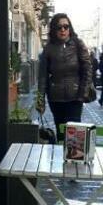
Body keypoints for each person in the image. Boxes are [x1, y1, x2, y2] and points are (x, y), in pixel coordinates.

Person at [36, 13, 92, 141]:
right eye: (59, 27)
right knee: (61, 132)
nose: (63, 30)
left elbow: (87, 70)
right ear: (54, 29)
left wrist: (83, 94)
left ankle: (73, 154)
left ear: (69, 28)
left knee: (74, 135)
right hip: (55, 98)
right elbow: (43, 76)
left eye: (66, 27)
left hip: (75, 97)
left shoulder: (78, 44)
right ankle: (60, 153)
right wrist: (40, 100)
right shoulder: (49, 48)